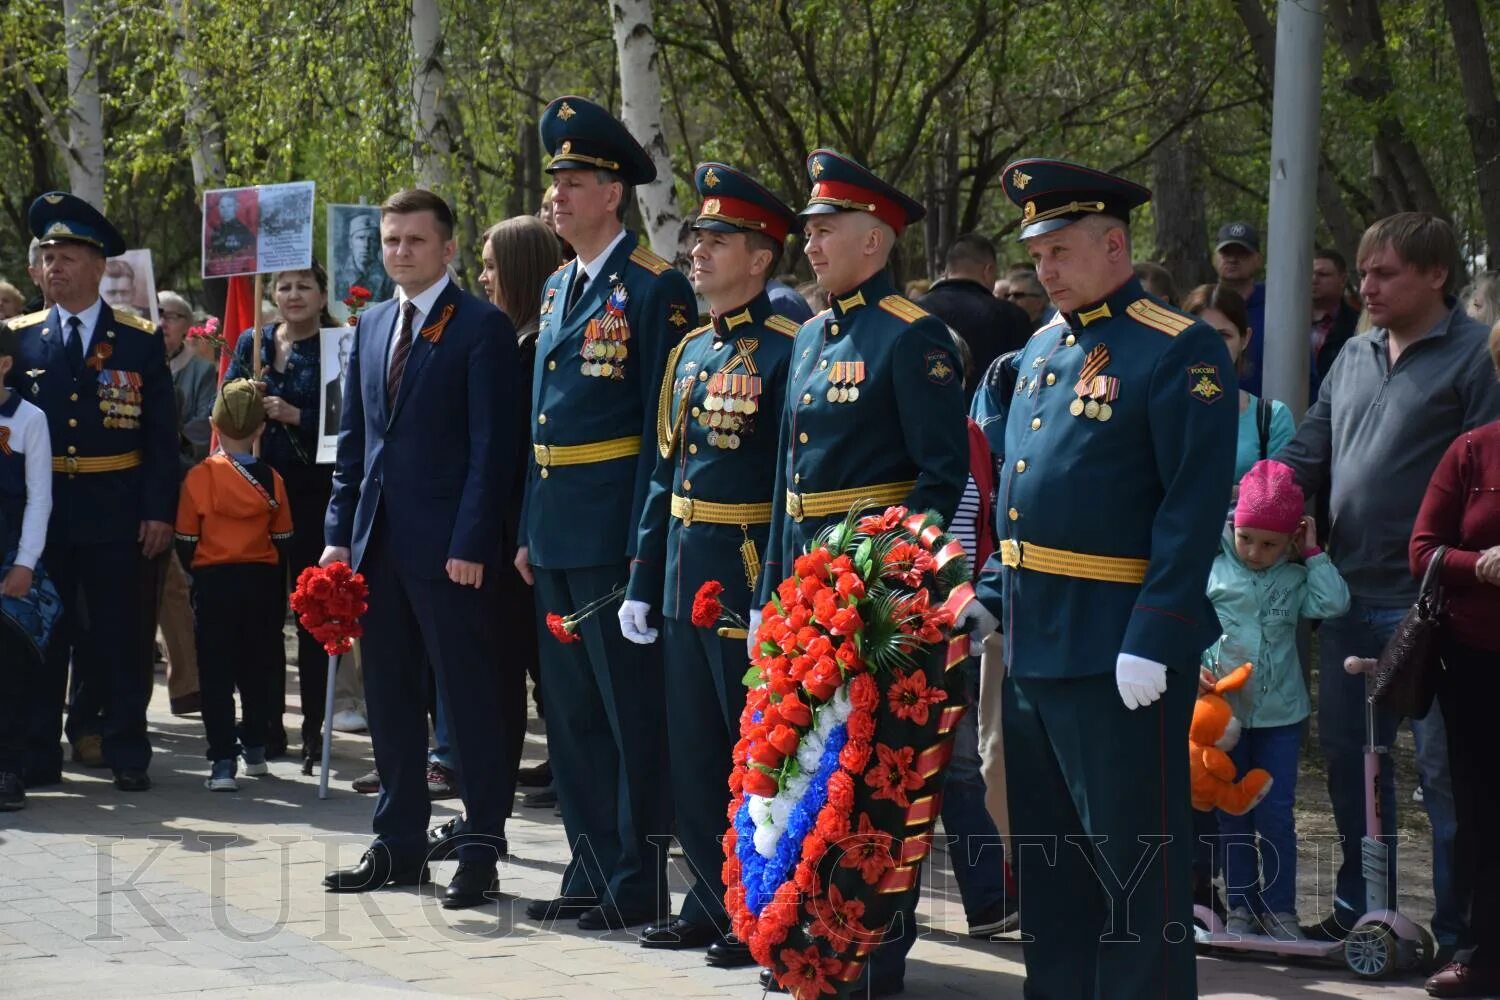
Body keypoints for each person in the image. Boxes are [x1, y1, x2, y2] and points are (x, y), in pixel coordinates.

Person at [961, 159, 1237, 998]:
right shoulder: (1041, 346)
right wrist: (992, 601)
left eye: (1060, 248)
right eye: (1036, 251)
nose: (1043, 267)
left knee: (1135, 873)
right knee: (1051, 868)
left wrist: (1156, 633)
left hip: (1121, 651)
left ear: (1114, 244)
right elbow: (1020, 501)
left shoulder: (1176, 347)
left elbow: (1190, 510)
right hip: (1038, 647)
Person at [755, 148, 967, 997]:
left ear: (874, 242)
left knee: (874, 780)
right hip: (808, 596)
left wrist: (876, 576)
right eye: (807, 230)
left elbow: (939, 475)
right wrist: (780, 586)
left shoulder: (915, 337)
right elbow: (789, 482)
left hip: (874, 604)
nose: (809, 244)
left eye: (824, 230)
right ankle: (807, 941)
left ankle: (875, 955)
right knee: (806, 774)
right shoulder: (811, 333)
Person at [1277, 212, 1500, 958]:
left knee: (1447, 780)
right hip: (1342, 596)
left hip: (1437, 610)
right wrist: (1263, 497)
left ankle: (1462, 934)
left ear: (1437, 276)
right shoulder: (1354, 353)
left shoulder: (1476, 359)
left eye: (1385, 273)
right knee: (1350, 766)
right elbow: (1311, 449)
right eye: (1364, 272)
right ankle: (1360, 910)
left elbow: (1488, 484)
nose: (1364, 286)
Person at [515, 95, 698, 932]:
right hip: (556, 530)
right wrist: (527, 526)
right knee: (574, 718)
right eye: (554, 180)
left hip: (615, 534)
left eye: (575, 180)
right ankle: (588, 870)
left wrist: (642, 552)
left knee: (629, 721)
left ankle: (635, 878)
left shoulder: (656, 289)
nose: (557, 194)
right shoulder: (557, 286)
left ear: (614, 194)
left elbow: (666, 437)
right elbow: (542, 422)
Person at [618, 162, 798, 966]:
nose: (698, 251)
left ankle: (758, 905)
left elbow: (791, 483)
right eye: (697, 237)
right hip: (684, 567)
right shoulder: (690, 350)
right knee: (690, 745)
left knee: (749, 745)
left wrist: (770, 589)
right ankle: (708, 896)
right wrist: (641, 576)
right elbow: (664, 472)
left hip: (746, 562)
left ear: (761, 257)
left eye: (717, 241)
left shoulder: (791, 348)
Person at [321, 188, 520, 909]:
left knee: (467, 706)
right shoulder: (371, 324)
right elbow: (354, 447)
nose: (399, 251)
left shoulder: (481, 327)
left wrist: (471, 540)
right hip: (377, 550)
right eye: (390, 240)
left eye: (413, 240)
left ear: (448, 249)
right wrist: (337, 537)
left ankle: (480, 848)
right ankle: (399, 843)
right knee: (392, 701)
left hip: (450, 556)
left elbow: (490, 450)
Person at [8, 193, 176, 793]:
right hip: (40, 513)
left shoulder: (138, 339)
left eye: (68, 256)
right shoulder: (17, 339)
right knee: (38, 635)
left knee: (121, 637)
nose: (54, 267)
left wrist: (159, 511)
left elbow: (162, 436)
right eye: (47, 256)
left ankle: (127, 745)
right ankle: (34, 753)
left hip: (117, 508)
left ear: (99, 266)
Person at [423, 215, 560, 845]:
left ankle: (490, 816)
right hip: (509, 538)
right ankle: (487, 814)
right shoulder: (515, 338)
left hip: (517, 542)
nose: (481, 277)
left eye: (491, 266)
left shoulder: (524, 344)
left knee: (520, 680)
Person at [1206, 459, 1349, 941]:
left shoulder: (1296, 577)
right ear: (1234, 526)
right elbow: (1191, 624)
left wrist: (1312, 555)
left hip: (1280, 718)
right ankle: (1241, 906)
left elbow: (1333, 604)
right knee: (1233, 812)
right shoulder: (1216, 570)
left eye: (1270, 544)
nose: (1255, 552)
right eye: (1246, 538)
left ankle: (1280, 908)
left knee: (1274, 813)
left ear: (1291, 538)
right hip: (1225, 718)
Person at [226, 263, 363, 762]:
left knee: (312, 614)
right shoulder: (253, 344)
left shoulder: (337, 344)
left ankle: (313, 727)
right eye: (283, 286)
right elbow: (227, 409)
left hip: (315, 497)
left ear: (323, 293)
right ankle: (264, 726)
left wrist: (297, 415)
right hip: (257, 496)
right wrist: (247, 403)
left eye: (304, 285)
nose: (292, 294)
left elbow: (349, 421)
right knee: (259, 617)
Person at [1410, 323, 1500, 998]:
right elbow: (1424, 552)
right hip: (1476, 664)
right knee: (1478, 812)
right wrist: (1481, 565)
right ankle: (1479, 952)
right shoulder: (1472, 452)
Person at [173, 379, 293, 792]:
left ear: (212, 424)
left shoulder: (198, 478)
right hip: (261, 581)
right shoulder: (273, 479)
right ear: (261, 429)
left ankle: (223, 760)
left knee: (216, 672)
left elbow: (186, 539)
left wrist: (203, 567)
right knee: (259, 668)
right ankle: (256, 747)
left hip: (213, 582)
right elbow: (283, 537)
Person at [0, 324, 53, 810]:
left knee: (9, 668)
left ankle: (9, 768)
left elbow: (40, 498)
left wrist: (25, 563)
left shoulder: (28, 418)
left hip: (9, 561)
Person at [155, 289, 214, 716]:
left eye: (170, 316)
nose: (162, 323)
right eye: (154, 314)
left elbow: (203, 425)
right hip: (139, 482)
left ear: (185, 323)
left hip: (183, 482)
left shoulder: (200, 371)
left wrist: (168, 439)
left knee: (174, 584)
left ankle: (187, 683)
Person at [1183, 284, 1294, 482]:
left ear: (1245, 339)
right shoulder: (1157, 409)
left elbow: (1277, 495)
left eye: (1223, 336)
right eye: (1199, 335)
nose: (1211, 346)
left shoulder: (1272, 418)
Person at [919, 233, 1033, 401]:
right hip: (989, 422)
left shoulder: (913, 310)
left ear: (947, 271)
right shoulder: (1012, 317)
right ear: (989, 270)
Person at [1212, 221, 1268, 394]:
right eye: (1226, 252)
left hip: (1266, 416)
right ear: (1215, 258)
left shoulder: (1277, 308)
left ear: (1257, 259)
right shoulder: (1202, 307)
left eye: (1242, 253)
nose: (1232, 259)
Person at [1311, 248, 1360, 399]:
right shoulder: (1282, 324)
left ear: (1343, 280)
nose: (1313, 279)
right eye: (1310, 273)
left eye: (1323, 274)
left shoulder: (1358, 326)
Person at [335, 213, 394, 304]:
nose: (366, 245)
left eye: (372, 239)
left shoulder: (389, 280)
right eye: (360, 238)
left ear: (379, 244)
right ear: (351, 242)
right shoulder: (338, 279)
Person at [1003, 265, 1054, 329]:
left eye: (1018, 295)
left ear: (1039, 302)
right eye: (1008, 295)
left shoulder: (1056, 327)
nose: (1010, 300)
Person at [210, 190, 255, 260]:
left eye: (229, 205)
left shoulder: (244, 231)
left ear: (236, 207)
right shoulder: (216, 230)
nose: (225, 210)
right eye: (222, 207)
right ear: (218, 209)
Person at [323, 332, 352, 436]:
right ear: (339, 357)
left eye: (352, 354)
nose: (347, 361)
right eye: (344, 354)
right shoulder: (327, 390)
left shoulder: (368, 389)